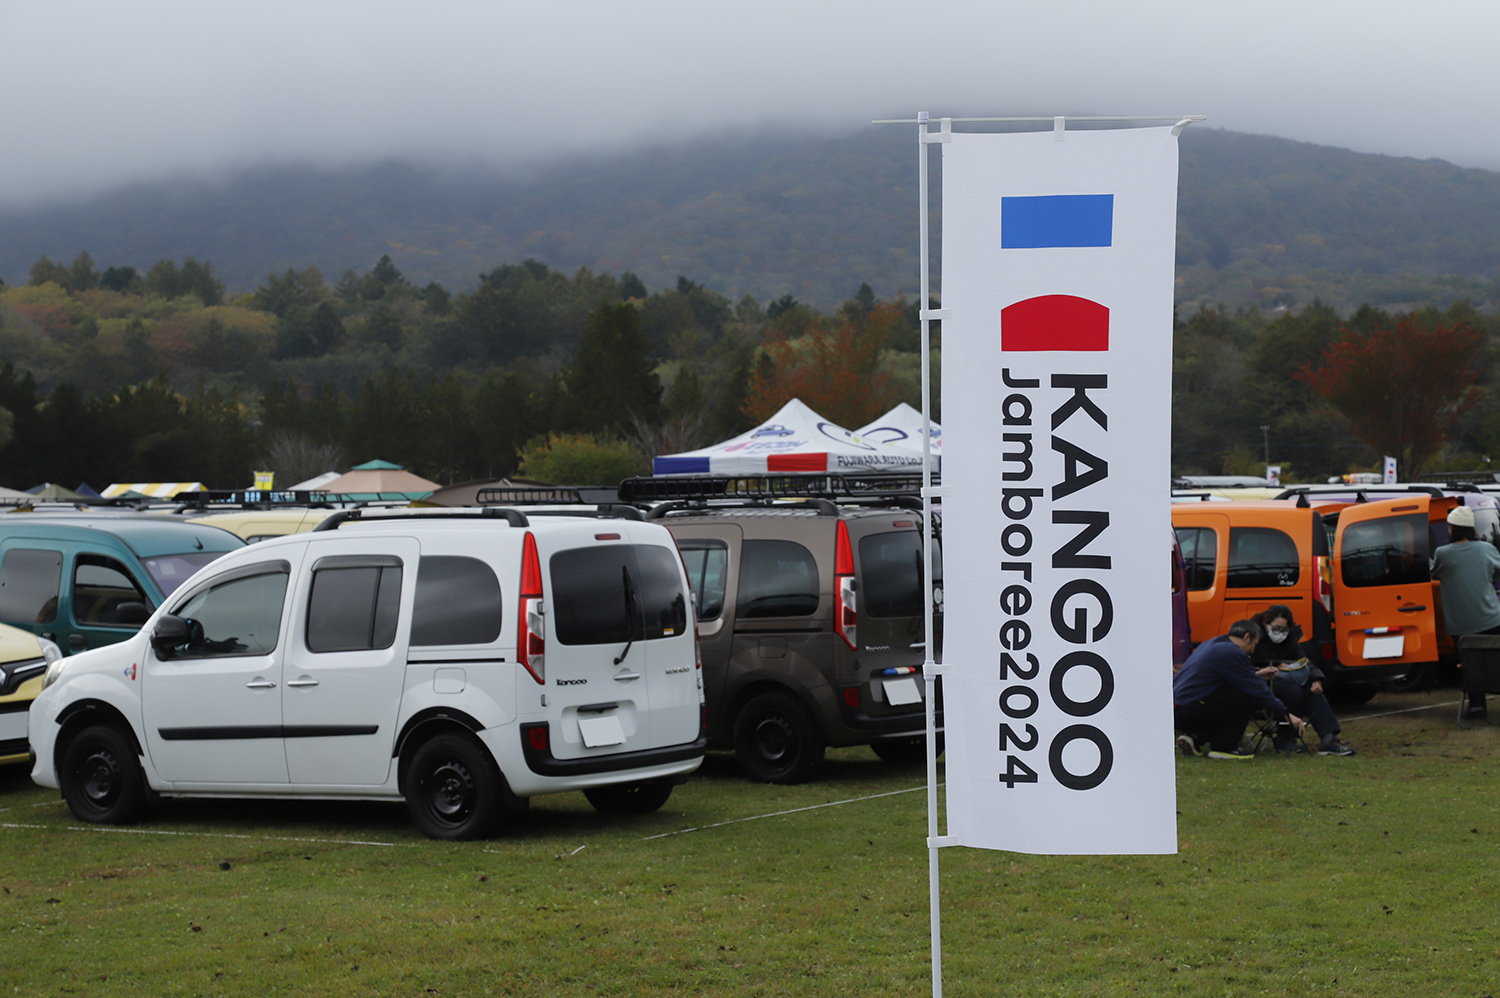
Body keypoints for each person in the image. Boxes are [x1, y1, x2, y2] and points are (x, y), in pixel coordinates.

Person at [1173, 619, 1305, 760]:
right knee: (1246, 695)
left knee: (1230, 694)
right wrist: (1287, 715)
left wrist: (1257, 674)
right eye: (1254, 644)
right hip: (1189, 710)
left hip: (1178, 707)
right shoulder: (1233, 653)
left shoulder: (1213, 644)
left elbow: (1220, 678)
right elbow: (1257, 690)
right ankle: (1225, 747)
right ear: (1247, 637)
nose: (1253, 651)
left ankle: (1196, 736)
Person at [1249, 605, 1355, 756]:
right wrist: (1271, 666)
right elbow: (1244, 665)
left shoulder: (1291, 639)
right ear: (1266, 624)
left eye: (1285, 630)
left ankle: (1328, 738)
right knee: (1293, 690)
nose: (1281, 633)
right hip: (1261, 683)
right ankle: (1286, 738)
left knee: (1312, 690)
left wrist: (1317, 679)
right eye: (1277, 628)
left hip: (1286, 680)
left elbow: (1304, 661)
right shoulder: (1252, 636)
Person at [1430, 504, 1500, 719]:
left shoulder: (1443, 553)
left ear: (1453, 528)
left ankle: (1476, 705)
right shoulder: (1487, 549)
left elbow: (1434, 573)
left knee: (1471, 666)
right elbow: (1496, 573)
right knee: (1494, 660)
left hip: (1461, 623)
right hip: (1491, 618)